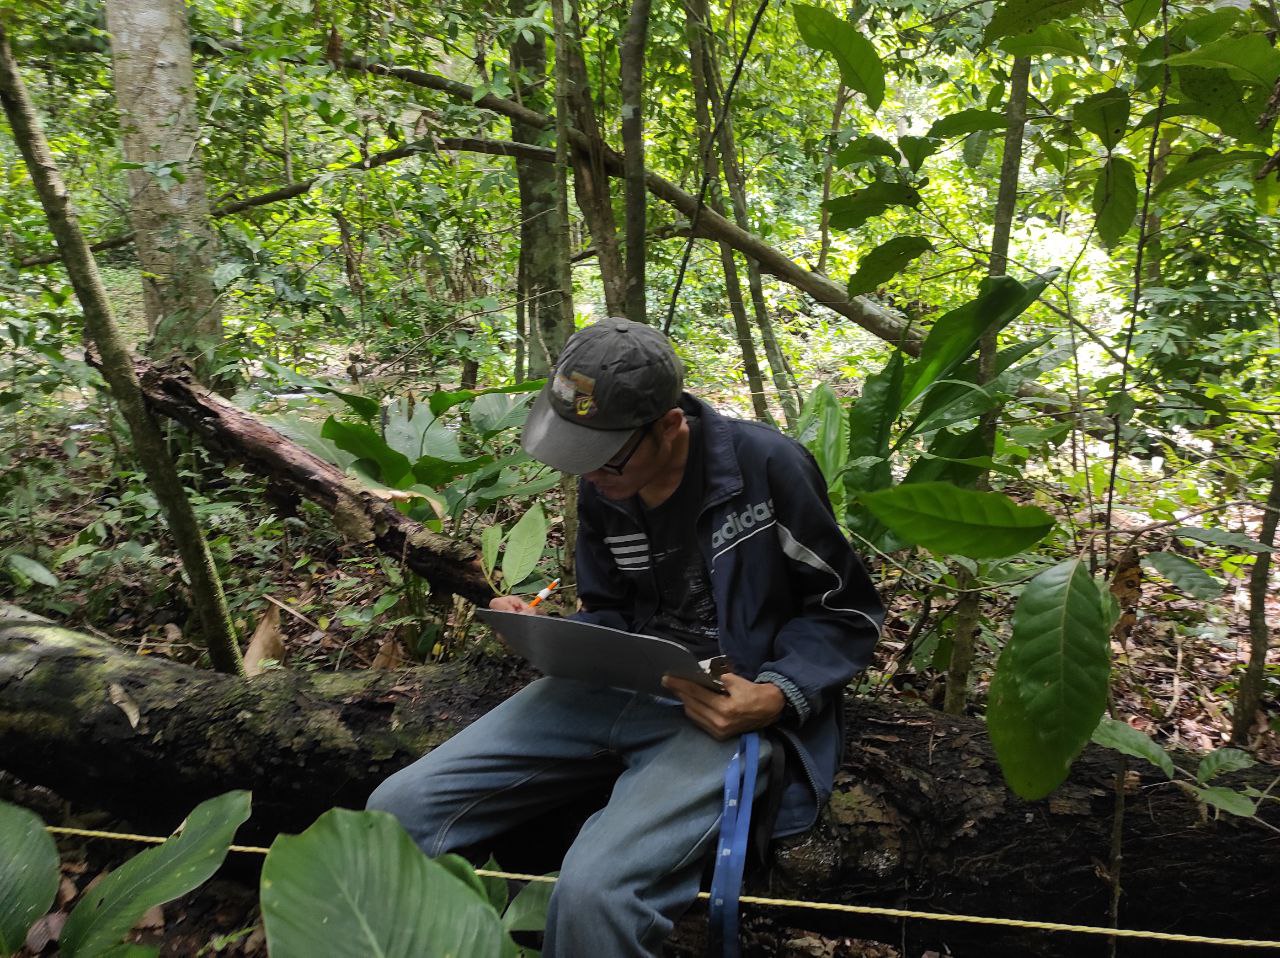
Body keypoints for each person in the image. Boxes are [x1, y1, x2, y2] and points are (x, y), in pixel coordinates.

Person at [367, 317, 883, 956]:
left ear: (670, 426)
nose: (590, 474)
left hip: (720, 709)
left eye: (604, 456)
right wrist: (543, 634)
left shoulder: (765, 467)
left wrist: (777, 694)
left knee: (596, 894)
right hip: (618, 683)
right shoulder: (607, 486)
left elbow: (847, 611)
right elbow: (610, 608)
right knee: (398, 810)